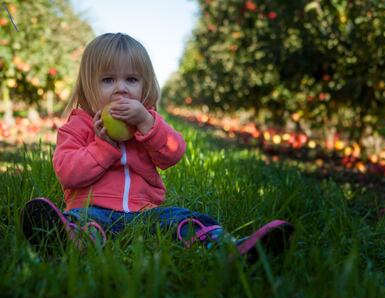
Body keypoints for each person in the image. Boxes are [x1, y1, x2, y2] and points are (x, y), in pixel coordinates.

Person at [20, 33, 294, 260]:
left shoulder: (148, 123)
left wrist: (147, 124)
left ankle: (230, 248)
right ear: (87, 86)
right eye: (107, 80)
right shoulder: (77, 127)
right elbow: (68, 173)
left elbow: (174, 153)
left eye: (131, 80)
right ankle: (67, 240)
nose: (121, 89)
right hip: (92, 208)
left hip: (145, 213)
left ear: (145, 85)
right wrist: (104, 147)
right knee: (82, 222)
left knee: (184, 219)